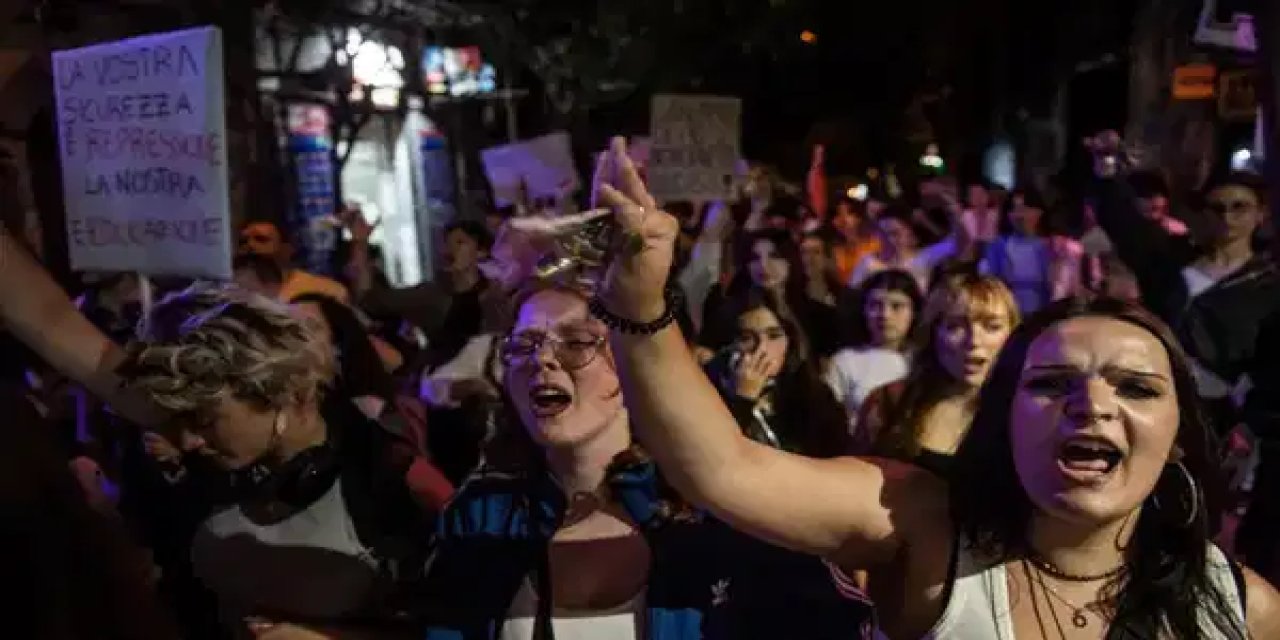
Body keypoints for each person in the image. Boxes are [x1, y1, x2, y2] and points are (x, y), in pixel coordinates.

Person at [590, 136, 1280, 639]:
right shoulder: (926, 527)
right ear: (1004, 417)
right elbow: (723, 468)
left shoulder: (1242, 612)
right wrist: (639, 298)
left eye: (1134, 387)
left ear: (1180, 437)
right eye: (1052, 382)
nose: (1093, 404)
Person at [120, 285, 430, 638]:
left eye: (206, 420)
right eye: (179, 421)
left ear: (276, 391)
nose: (189, 441)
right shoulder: (202, 475)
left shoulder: (389, 475)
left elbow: (455, 625)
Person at [855, 275, 1018, 475]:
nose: (974, 340)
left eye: (992, 327)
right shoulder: (889, 403)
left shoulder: (1023, 409)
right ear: (932, 333)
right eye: (955, 326)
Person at [824, 269, 921, 429]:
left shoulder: (925, 359)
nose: (885, 315)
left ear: (914, 312)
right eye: (875, 305)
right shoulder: (845, 361)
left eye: (897, 306)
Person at [239, 219, 350, 304]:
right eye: (243, 241)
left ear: (287, 249)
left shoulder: (326, 291)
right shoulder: (233, 293)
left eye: (261, 239)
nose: (250, 246)